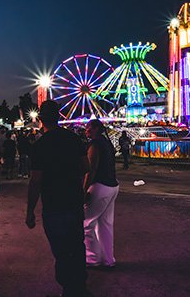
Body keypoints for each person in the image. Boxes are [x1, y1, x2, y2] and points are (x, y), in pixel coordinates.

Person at [25, 100, 92, 297]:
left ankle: (68, 288)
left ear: (41, 119)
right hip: (73, 201)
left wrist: (30, 211)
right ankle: (79, 286)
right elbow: (86, 167)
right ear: (59, 116)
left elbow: (35, 181)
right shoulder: (74, 139)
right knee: (77, 245)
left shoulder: (40, 146)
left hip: (53, 204)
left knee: (61, 250)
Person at [84, 119, 119, 268]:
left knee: (87, 223)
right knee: (105, 224)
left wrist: (84, 189)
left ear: (97, 129)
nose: (86, 131)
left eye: (89, 128)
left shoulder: (95, 145)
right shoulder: (106, 143)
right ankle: (108, 259)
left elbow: (91, 169)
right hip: (112, 185)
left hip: (100, 186)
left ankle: (92, 258)